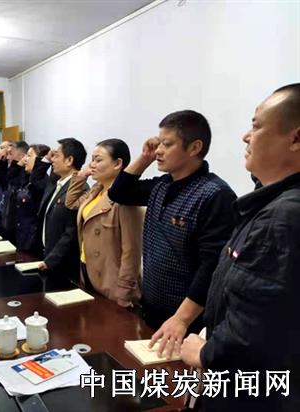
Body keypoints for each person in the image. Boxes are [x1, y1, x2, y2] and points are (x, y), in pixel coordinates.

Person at [181, 84, 300, 412]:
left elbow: (256, 328)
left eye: (256, 126)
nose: (246, 137)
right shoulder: (272, 204)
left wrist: (205, 353)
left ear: (296, 139)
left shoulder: (283, 216)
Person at [108, 110, 237, 358]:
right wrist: (144, 158)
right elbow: (118, 193)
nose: (158, 150)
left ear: (194, 147)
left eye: (167, 144)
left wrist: (181, 319)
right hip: (151, 308)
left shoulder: (215, 194)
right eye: (158, 144)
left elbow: (212, 265)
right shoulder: (162, 185)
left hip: (187, 322)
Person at [65, 139, 143, 306]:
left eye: (98, 160)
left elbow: (131, 252)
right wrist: (81, 176)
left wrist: (125, 292)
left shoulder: (126, 198)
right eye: (92, 159)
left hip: (111, 280)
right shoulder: (96, 190)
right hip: (87, 269)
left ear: (118, 164)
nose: (92, 164)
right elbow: (71, 203)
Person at [38, 138, 87, 284]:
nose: (52, 159)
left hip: (63, 265)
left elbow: (71, 232)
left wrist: (51, 260)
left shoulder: (80, 189)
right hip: (48, 257)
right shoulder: (57, 183)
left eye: (56, 155)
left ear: (69, 160)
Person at [14, 144, 51, 253]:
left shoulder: (42, 182)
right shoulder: (26, 179)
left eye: (29, 156)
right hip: (21, 237)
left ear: (39, 160)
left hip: (33, 242)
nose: (25, 159)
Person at [0, 141, 29, 242]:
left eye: (10, 154)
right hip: (8, 223)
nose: (7, 157)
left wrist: (17, 166)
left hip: (19, 229)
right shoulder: (13, 172)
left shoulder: (24, 174)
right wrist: (2, 160)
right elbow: (0, 175)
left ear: (22, 156)